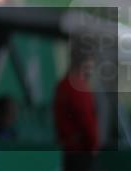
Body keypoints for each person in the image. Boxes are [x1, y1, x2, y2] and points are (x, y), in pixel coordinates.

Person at [54, 42, 99, 171]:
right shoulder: (77, 87)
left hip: (67, 150)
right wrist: (93, 144)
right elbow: (87, 121)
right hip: (81, 151)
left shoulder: (62, 86)